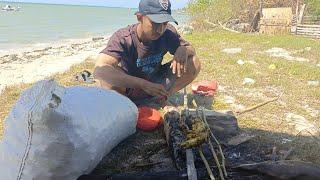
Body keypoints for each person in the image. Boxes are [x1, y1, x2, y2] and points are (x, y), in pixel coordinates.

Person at [94, 0, 201, 108]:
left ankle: (163, 97)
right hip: (130, 86)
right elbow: (100, 70)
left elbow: (191, 49)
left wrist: (184, 49)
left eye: (164, 23)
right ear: (139, 17)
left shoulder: (168, 33)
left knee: (193, 62)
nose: (160, 30)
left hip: (156, 82)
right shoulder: (124, 37)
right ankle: (128, 106)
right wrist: (142, 84)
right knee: (106, 79)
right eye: (155, 23)